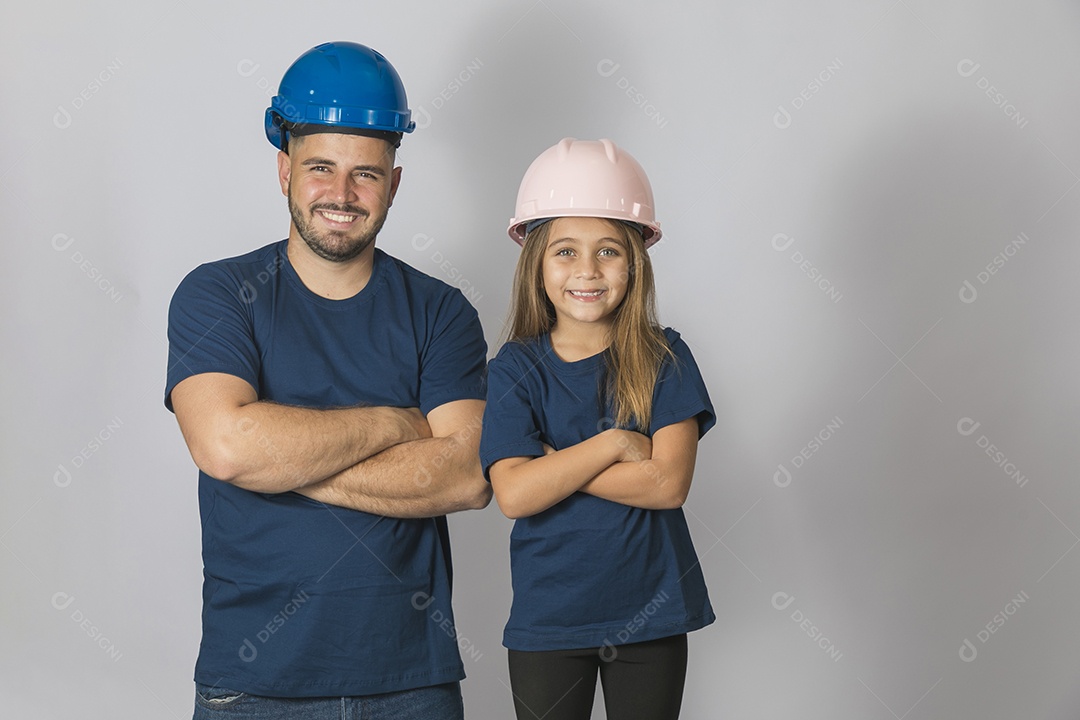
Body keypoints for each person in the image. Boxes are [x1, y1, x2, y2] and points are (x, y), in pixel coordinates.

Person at [165, 41, 490, 720]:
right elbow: (226, 447)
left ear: (394, 184)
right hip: (253, 684)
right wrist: (399, 424)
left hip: (411, 681)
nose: (341, 195)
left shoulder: (441, 311)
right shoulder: (218, 294)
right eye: (320, 168)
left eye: (366, 175)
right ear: (284, 170)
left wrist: (279, 459)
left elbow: (465, 475)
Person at [479, 138, 716, 720]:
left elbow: (666, 485)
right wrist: (611, 444)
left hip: (651, 614)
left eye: (608, 250)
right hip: (549, 620)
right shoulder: (514, 368)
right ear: (536, 263)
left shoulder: (665, 355)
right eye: (565, 251)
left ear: (636, 261)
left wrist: (553, 464)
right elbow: (513, 493)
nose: (586, 270)